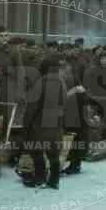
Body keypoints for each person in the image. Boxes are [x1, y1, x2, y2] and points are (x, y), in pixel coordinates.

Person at [22, 55, 81, 189]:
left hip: (39, 125)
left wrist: (26, 125)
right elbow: (65, 102)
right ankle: (54, 180)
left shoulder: (41, 83)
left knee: (36, 151)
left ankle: (39, 178)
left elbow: (32, 107)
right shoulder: (62, 82)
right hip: (56, 123)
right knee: (53, 153)